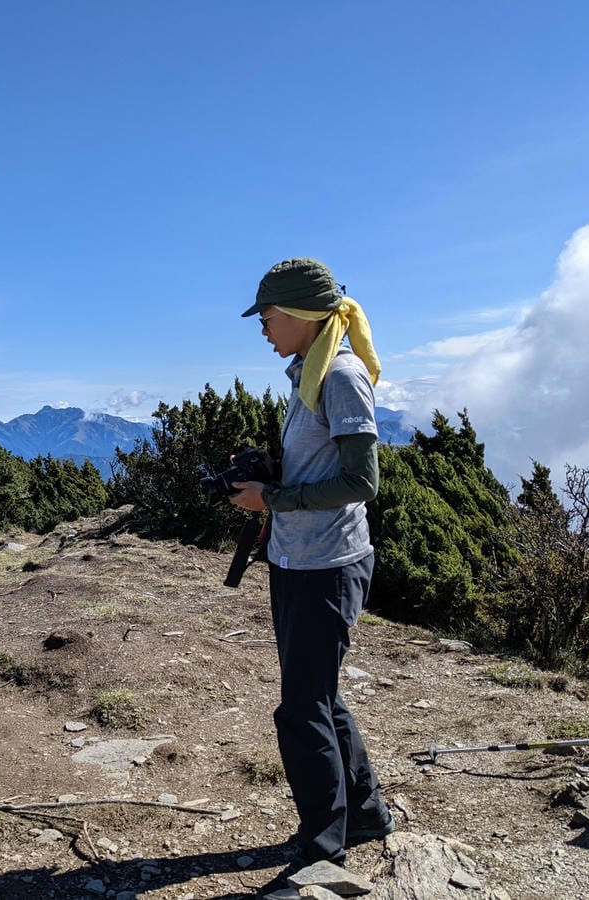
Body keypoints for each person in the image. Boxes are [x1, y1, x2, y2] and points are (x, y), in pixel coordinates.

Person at [229, 257, 395, 867]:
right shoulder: (310, 371)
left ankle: (323, 848)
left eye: (267, 317)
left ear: (300, 315)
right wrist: (274, 484)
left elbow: (361, 480)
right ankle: (368, 816)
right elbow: (325, 465)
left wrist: (272, 497)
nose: (263, 328)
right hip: (299, 559)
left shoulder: (340, 375)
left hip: (328, 564)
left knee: (301, 709)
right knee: (319, 697)